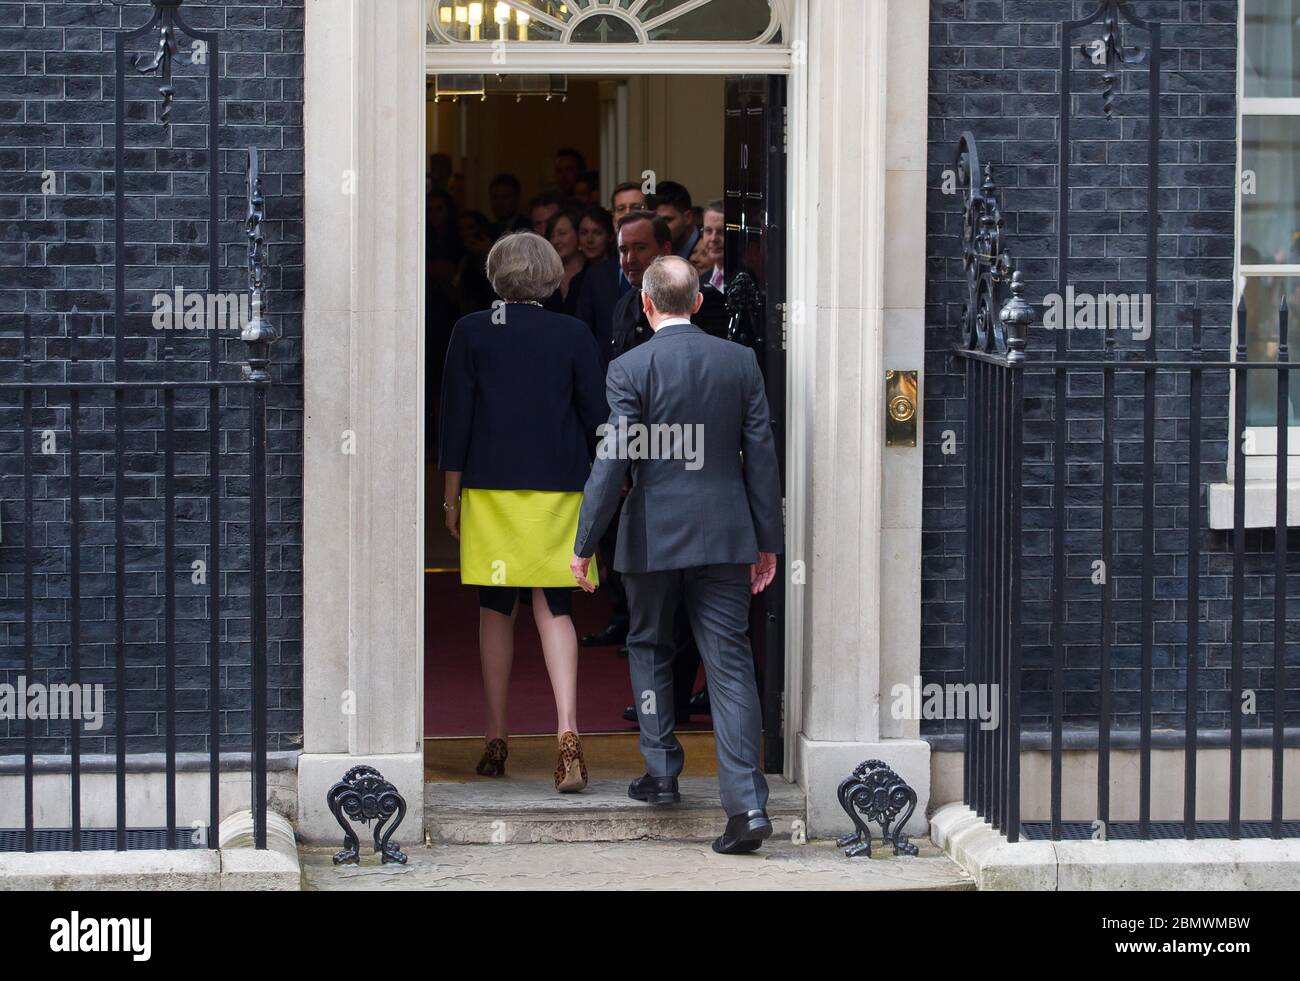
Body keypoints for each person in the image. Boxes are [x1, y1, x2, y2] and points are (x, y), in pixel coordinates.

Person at [570, 256, 784, 854]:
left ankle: (662, 770)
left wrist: (585, 542)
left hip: (652, 534)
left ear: (645, 305)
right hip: (725, 533)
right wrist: (767, 541)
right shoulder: (739, 362)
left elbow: (613, 460)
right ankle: (745, 806)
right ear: (696, 302)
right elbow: (761, 456)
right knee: (730, 663)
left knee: (648, 645)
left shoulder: (629, 367)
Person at [440, 232, 608, 795]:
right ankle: (567, 734)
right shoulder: (574, 333)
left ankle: (495, 737)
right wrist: (613, 484)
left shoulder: (470, 331)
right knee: (555, 604)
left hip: (489, 488)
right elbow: (598, 418)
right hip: (561, 488)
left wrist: (450, 496)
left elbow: (455, 420)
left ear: (496, 278)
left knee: (495, 606)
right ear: (553, 276)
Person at [546, 208, 588, 316]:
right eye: (551, 236)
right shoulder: (545, 276)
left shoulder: (592, 272)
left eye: (562, 233)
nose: (555, 241)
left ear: (578, 234)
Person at [650, 181, 700, 261]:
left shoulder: (711, 254)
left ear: (687, 217)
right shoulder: (656, 252)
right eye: (655, 221)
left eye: (666, 220)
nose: (658, 228)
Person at [701, 199, 726, 291]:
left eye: (721, 231)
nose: (713, 238)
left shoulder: (747, 282)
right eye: (708, 231)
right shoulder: (699, 283)